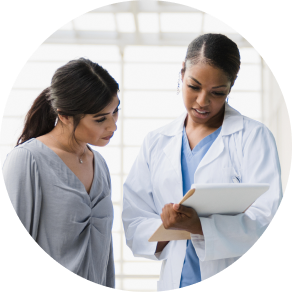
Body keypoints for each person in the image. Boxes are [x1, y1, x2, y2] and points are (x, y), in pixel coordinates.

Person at [122, 34, 282, 291]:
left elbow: (266, 218)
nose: (202, 102)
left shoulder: (253, 137)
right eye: (193, 87)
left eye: (217, 93)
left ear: (232, 86)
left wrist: (198, 225)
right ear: (182, 72)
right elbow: (134, 220)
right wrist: (168, 225)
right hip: (174, 279)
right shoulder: (156, 142)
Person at [3, 58, 120, 287]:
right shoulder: (28, 160)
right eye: (100, 119)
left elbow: (105, 256)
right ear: (64, 116)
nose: (113, 126)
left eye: (115, 112)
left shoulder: (100, 164)